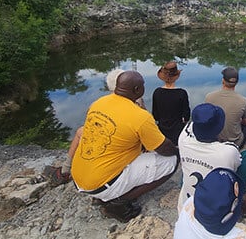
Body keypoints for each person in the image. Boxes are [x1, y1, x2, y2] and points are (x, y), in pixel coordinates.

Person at [71, 71, 179, 222]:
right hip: (101, 185)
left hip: (79, 177)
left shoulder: (99, 103)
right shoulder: (140, 116)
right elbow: (163, 149)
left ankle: (104, 196)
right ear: (137, 90)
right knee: (172, 161)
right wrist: (177, 151)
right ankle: (117, 202)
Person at [178, 103, 246, 217]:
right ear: (220, 128)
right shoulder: (228, 151)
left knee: (187, 168)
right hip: (216, 211)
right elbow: (236, 165)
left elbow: (190, 126)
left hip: (186, 205)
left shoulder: (182, 139)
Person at [205, 66, 246, 149]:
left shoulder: (209, 97)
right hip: (235, 142)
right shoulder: (244, 101)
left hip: (215, 139)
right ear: (237, 82)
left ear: (223, 80)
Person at [152, 61, 190, 144]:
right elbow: (186, 116)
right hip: (178, 132)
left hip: (162, 132)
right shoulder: (182, 93)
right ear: (176, 76)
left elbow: (155, 116)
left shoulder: (157, 92)